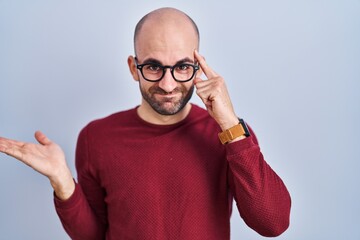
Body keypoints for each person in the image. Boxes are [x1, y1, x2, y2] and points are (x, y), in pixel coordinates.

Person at [0, 7, 291, 240]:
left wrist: (229, 123)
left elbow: (273, 223)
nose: (167, 84)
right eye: (153, 67)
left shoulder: (229, 134)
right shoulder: (96, 137)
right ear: (133, 67)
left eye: (181, 67)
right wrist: (62, 182)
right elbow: (95, 235)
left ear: (198, 67)